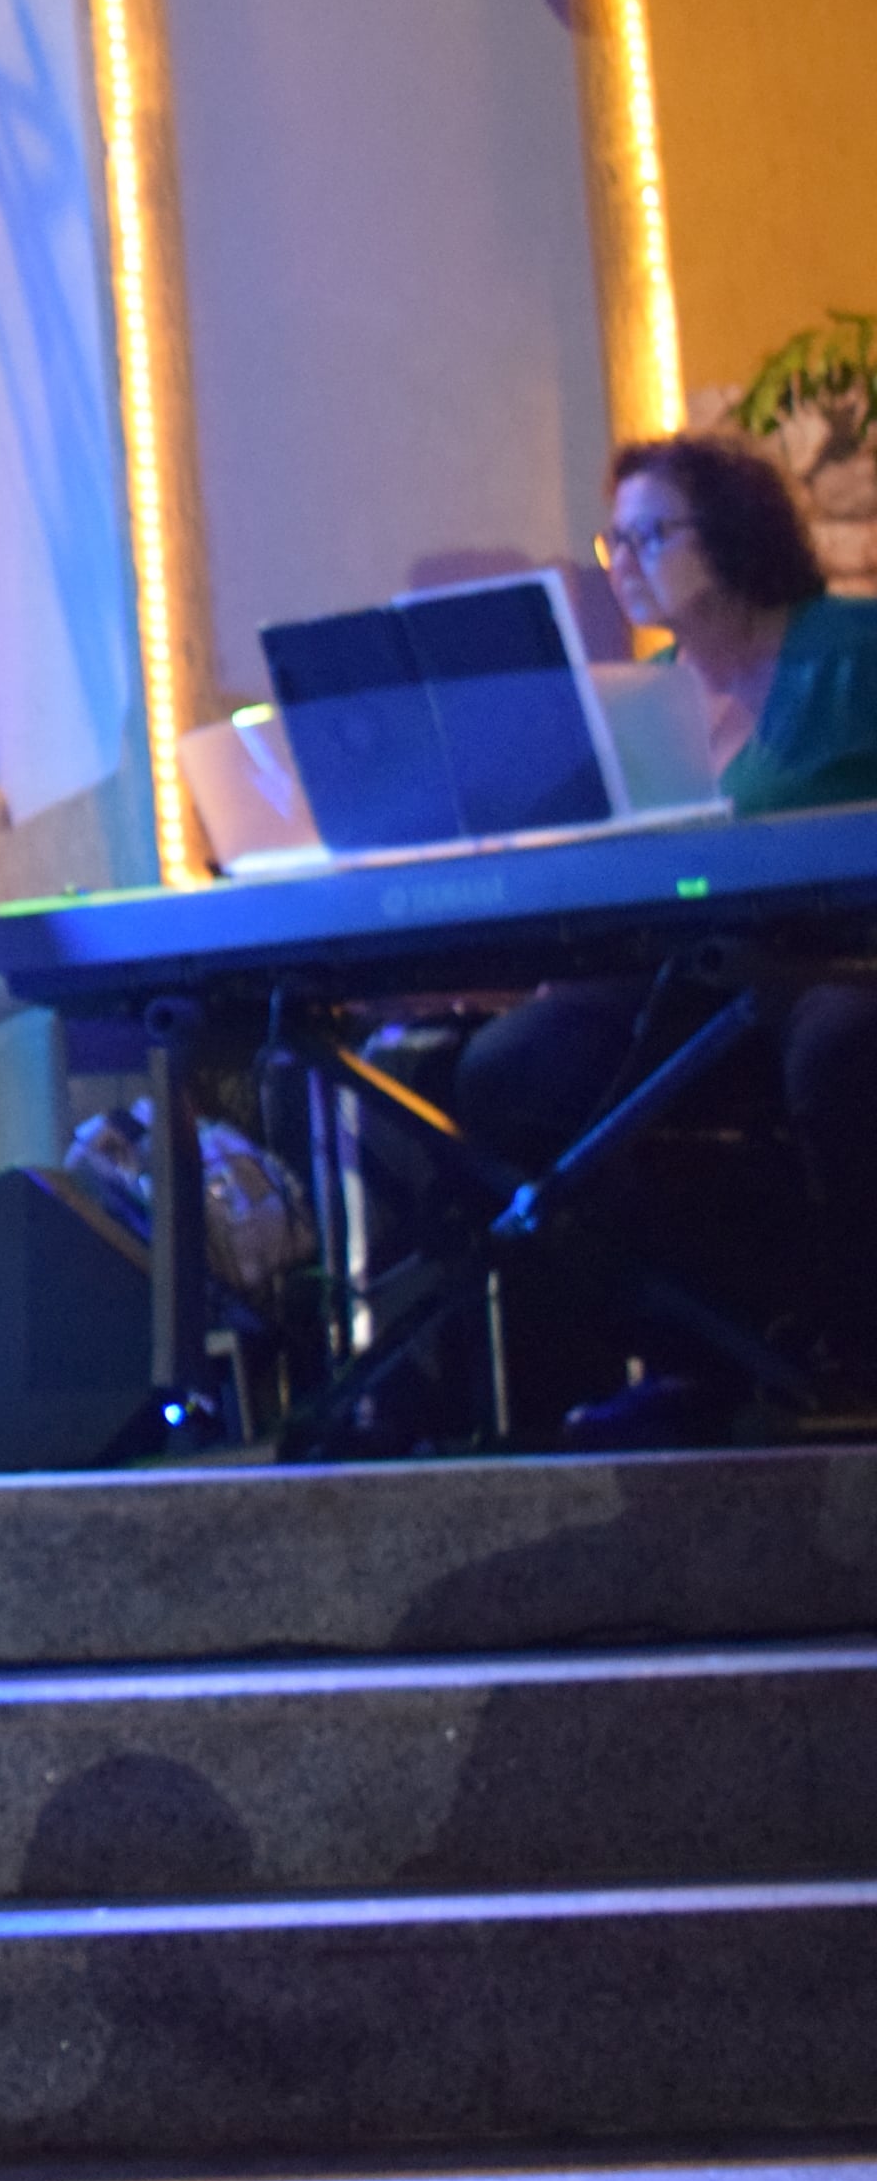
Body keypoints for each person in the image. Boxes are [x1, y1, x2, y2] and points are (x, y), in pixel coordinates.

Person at [453, 431, 877, 1433]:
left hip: (841, 961)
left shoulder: (852, 651)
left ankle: (858, 1352)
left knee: (839, 1041)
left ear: (731, 532)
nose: (625, 564)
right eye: (614, 543)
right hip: (689, 979)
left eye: (649, 535)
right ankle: (704, 1349)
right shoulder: (639, 697)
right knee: (511, 1068)